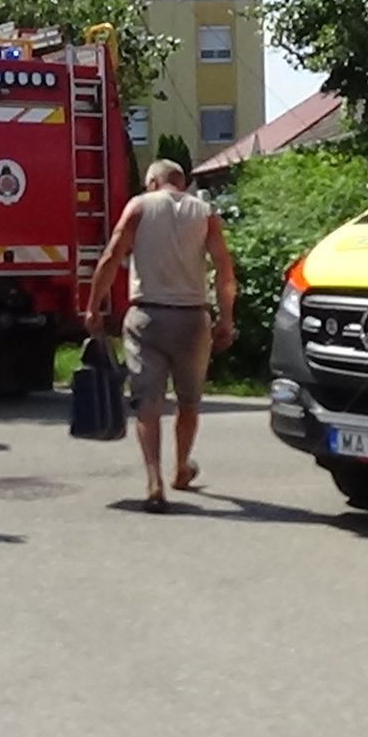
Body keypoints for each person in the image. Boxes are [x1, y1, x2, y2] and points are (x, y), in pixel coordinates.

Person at [83, 159, 237, 513]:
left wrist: (94, 306)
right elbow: (224, 269)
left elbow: (111, 256)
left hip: (146, 316)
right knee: (189, 403)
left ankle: (154, 482)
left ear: (153, 182)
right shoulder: (204, 212)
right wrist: (225, 318)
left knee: (147, 403)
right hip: (193, 320)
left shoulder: (139, 206)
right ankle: (182, 469)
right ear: (180, 183)